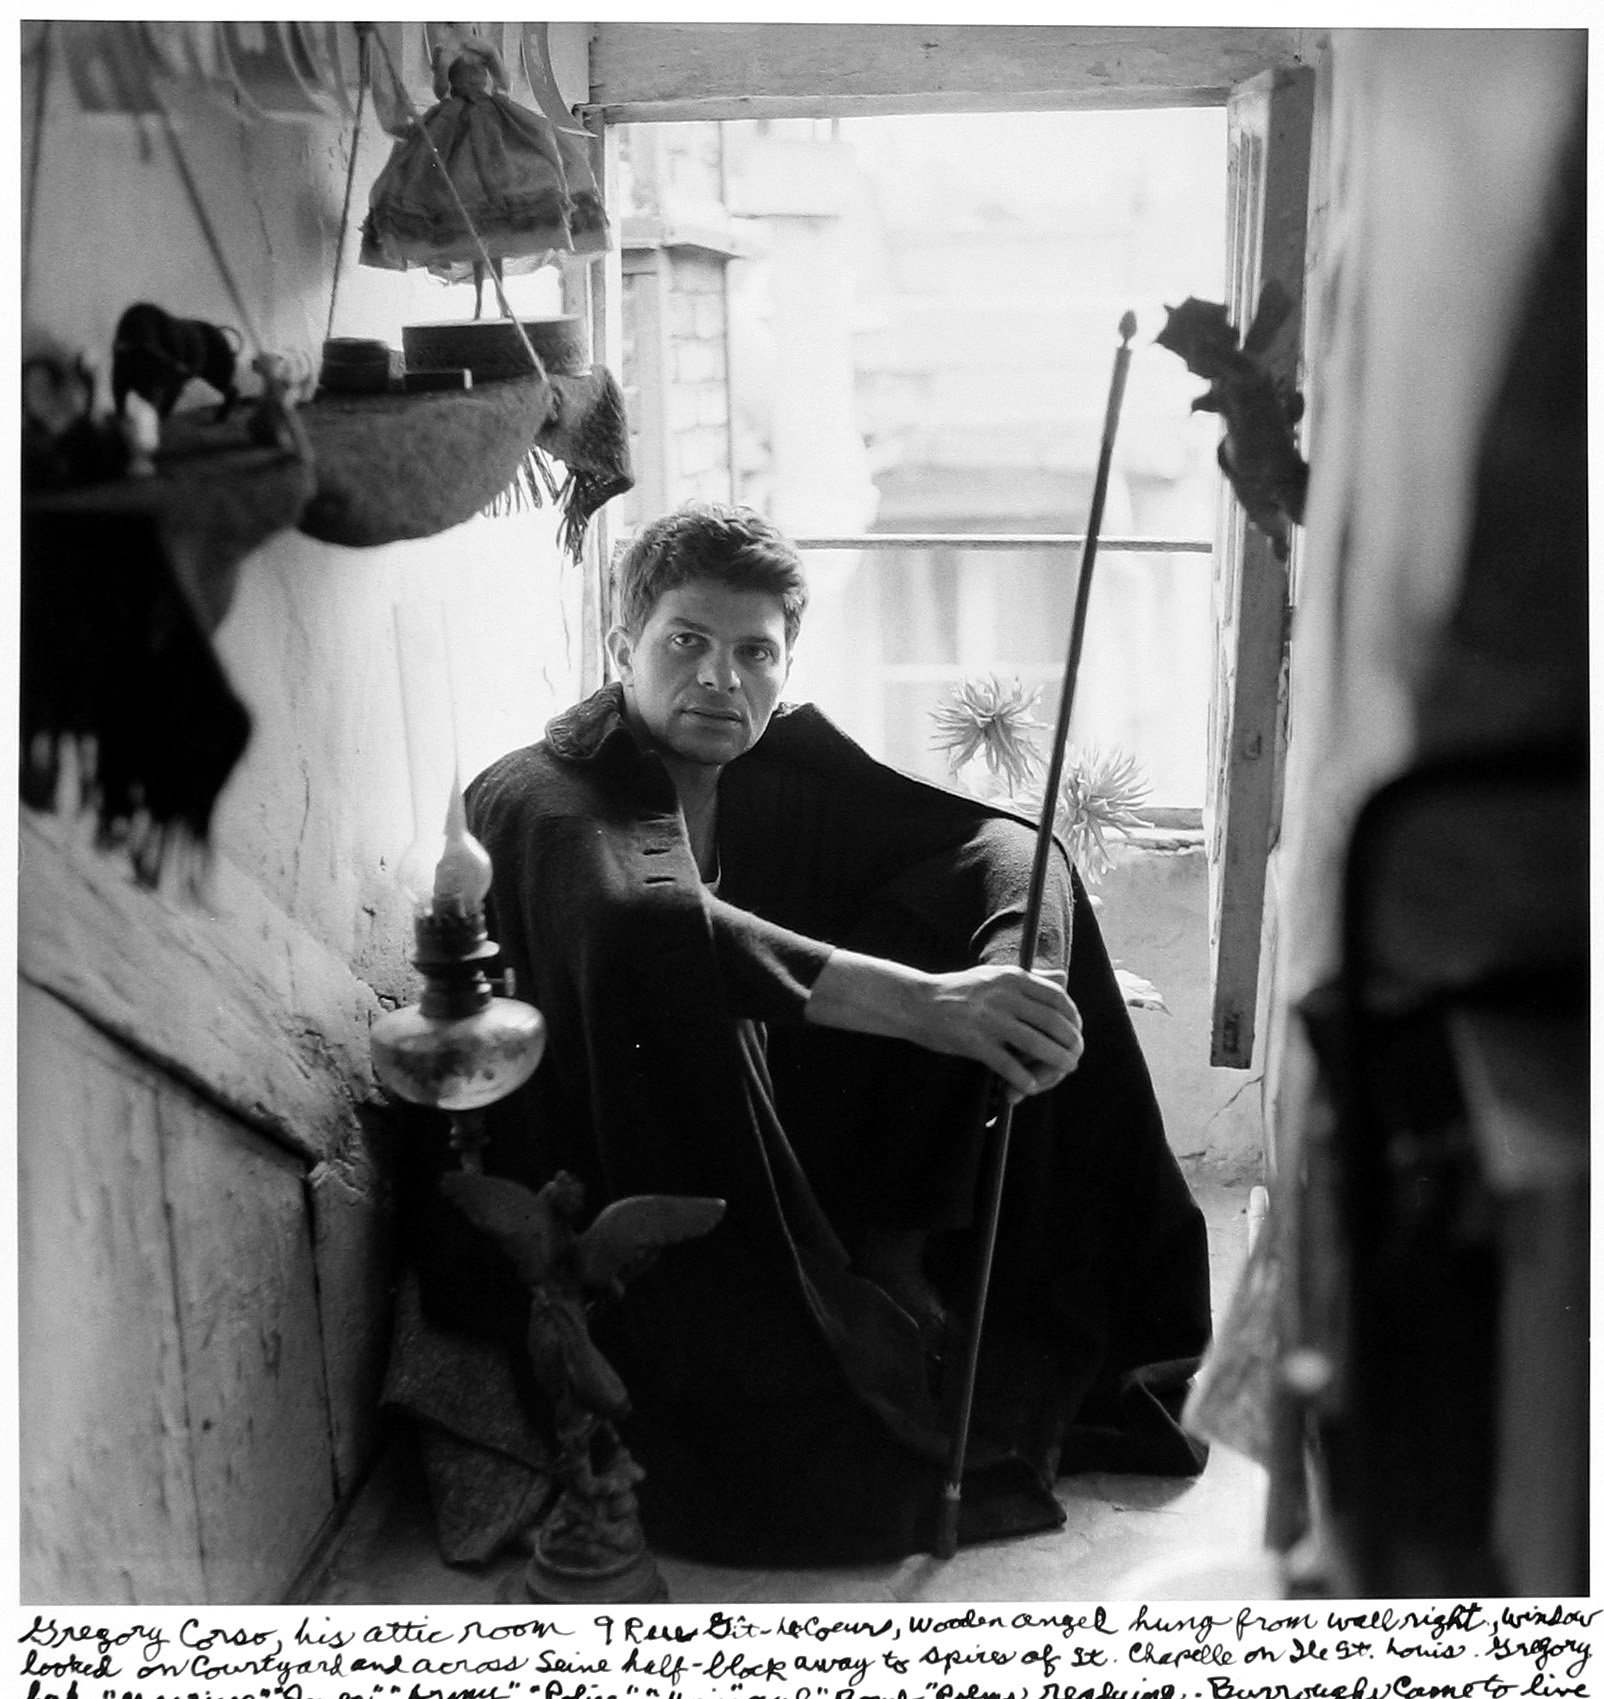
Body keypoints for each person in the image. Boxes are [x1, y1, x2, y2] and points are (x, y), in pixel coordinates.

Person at [387, 504, 1211, 1568]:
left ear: (784, 665)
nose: (719, 680)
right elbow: (641, 928)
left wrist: (1014, 971)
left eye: (752, 654)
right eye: (685, 642)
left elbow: (1002, 848)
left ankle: (894, 1253)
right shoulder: (551, 794)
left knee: (972, 898)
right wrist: (926, 1003)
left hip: (779, 1130)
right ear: (619, 648)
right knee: (808, 1445)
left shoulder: (768, 772)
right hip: (637, 1176)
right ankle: (837, 1314)